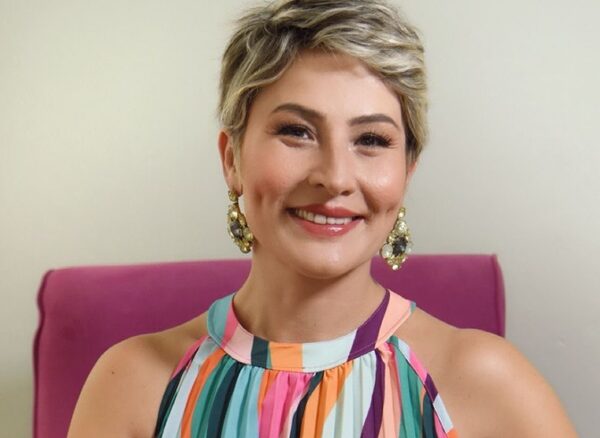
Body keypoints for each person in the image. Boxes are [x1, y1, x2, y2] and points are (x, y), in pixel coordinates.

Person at [68, 0, 578, 437]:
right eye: (296, 131)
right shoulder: (133, 385)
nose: (335, 178)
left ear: (407, 172)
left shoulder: (490, 386)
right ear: (232, 159)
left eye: (371, 139)